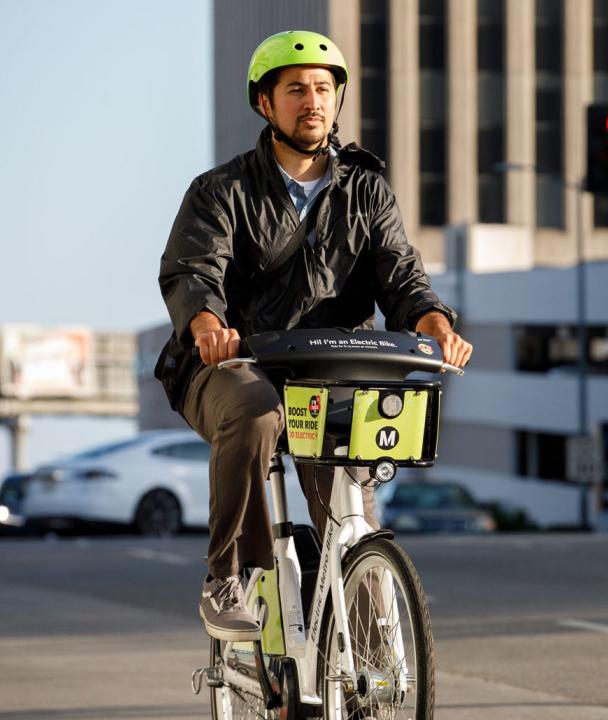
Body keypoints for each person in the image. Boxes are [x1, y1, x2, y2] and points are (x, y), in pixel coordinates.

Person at [155, 30, 472, 641]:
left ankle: (371, 644)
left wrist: (435, 324)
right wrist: (208, 324)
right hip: (232, 365)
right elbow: (194, 270)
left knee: (351, 506)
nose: (313, 101)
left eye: (324, 88)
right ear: (265, 104)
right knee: (255, 411)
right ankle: (226, 577)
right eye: (296, 88)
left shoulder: (367, 189)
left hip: (329, 366)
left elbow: (401, 275)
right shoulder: (222, 191)